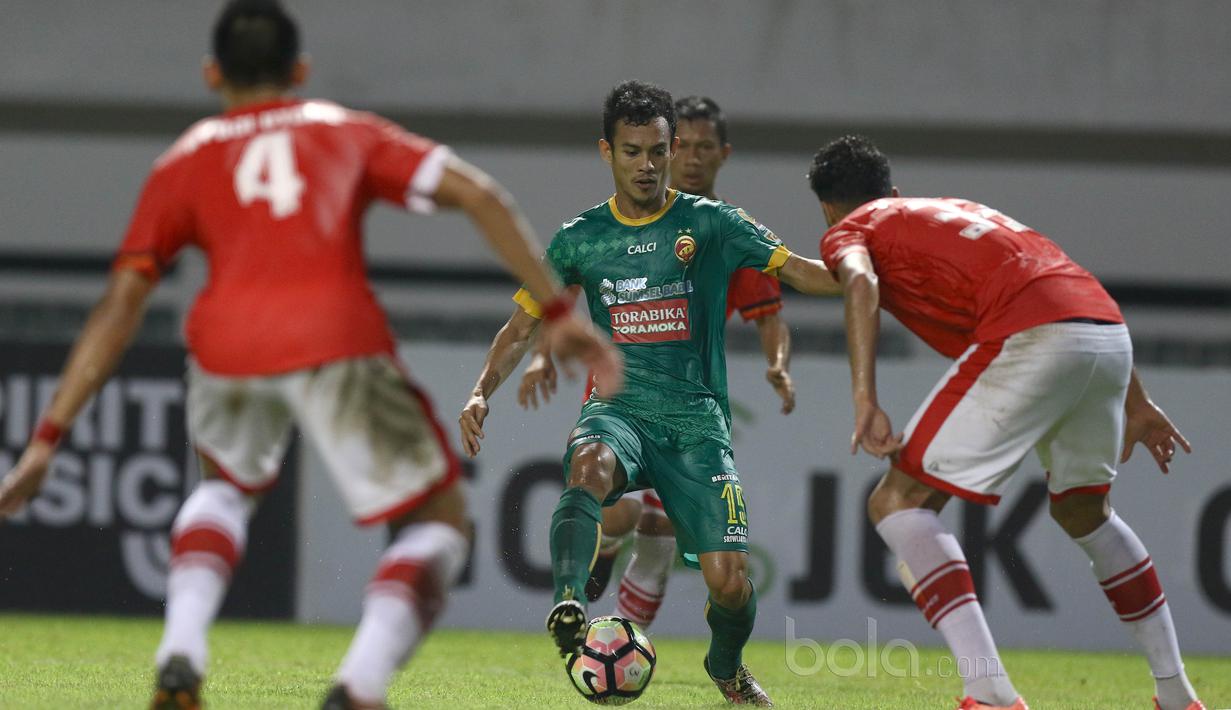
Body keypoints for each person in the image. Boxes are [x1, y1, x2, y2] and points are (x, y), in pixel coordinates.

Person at [0, 2, 620, 709]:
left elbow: (120, 304)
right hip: (336, 338)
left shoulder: (185, 158)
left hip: (224, 346)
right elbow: (480, 195)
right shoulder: (342, 131)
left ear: (212, 74)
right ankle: (357, 687)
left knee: (223, 489)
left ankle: (180, 647)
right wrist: (562, 311)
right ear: (299, 71)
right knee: (441, 522)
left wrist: (48, 436)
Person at [459, 80, 839, 706]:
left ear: (673, 149)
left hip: (695, 425)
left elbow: (803, 273)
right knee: (587, 468)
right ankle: (570, 601)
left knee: (730, 582)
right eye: (632, 151)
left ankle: (726, 668)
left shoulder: (712, 223)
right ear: (605, 151)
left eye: (657, 152)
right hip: (618, 411)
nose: (646, 165)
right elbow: (522, 326)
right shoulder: (579, 237)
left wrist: (868, 270)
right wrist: (480, 392)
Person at [810, 134, 1204, 710]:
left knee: (897, 502)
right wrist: (1136, 401)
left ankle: (990, 693)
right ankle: (1176, 695)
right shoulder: (953, 213)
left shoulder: (850, 230)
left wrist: (864, 397)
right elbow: (1062, 280)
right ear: (893, 191)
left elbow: (859, 282)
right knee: (1083, 510)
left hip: (1031, 335)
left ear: (826, 209)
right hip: (1104, 328)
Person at [517, 95, 796, 629]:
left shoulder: (723, 229)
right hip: (620, 392)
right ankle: (604, 549)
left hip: (686, 404)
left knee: (662, 530)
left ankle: (622, 641)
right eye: (682, 145)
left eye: (701, 147)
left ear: (722, 155)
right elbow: (553, 303)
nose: (689, 157)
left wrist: (777, 364)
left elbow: (770, 313)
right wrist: (538, 357)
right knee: (616, 508)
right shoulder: (606, 228)